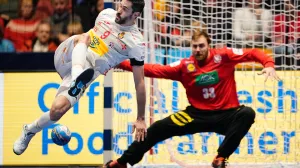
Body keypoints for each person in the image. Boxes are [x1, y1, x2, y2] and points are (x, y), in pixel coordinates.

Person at [105, 30, 281, 168]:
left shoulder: (225, 56)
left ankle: (221, 157)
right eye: (195, 46)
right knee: (158, 128)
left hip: (227, 115)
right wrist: (119, 63)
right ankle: (122, 163)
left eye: (201, 46)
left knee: (247, 113)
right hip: (196, 115)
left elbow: (253, 53)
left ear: (209, 46)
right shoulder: (184, 66)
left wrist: (269, 65)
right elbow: (152, 69)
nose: (198, 50)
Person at [13, 0, 147, 156]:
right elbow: (86, 39)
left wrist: (141, 118)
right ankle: (77, 76)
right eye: (120, 6)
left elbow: (140, 83)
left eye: (124, 9)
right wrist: (79, 70)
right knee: (83, 38)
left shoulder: (136, 43)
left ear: (135, 14)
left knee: (57, 110)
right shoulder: (106, 14)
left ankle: (29, 131)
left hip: (88, 71)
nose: (118, 10)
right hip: (70, 54)